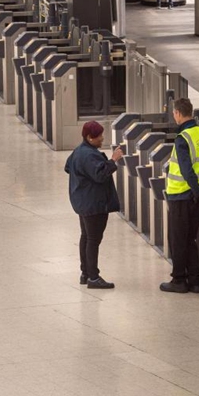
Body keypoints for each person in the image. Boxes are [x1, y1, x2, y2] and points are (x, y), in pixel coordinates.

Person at [160, 98, 199, 294]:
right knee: (191, 238)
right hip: (196, 197)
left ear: (177, 113)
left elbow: (185, 169)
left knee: (177, 239)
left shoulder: (182, 138)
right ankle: (195, 281)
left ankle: (178, 280)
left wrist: (196, 188)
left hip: (180, 195)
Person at [65, 121, 124, 289]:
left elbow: (68, 167)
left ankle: (85, 273)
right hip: (94, 204)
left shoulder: (79, 151)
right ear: (90, 138)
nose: (102, 138)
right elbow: (100, 175)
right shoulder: (89, 155)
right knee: (93, 240)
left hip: (82, 202)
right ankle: (93, 277)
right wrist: (113, 160)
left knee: (86, 237)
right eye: (99, 136)